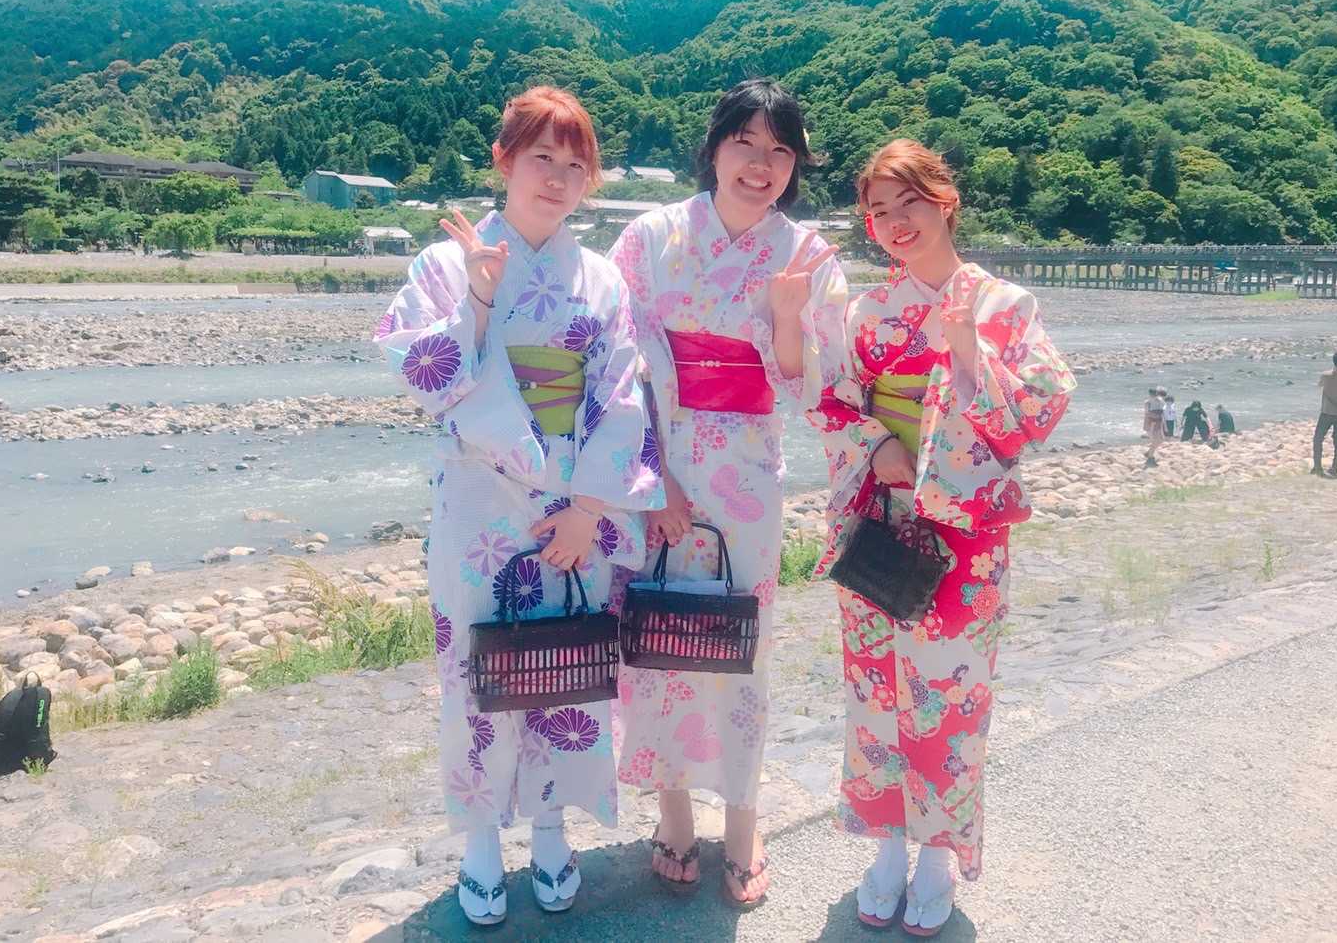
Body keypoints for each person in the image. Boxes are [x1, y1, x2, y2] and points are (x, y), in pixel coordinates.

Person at [377, 87, 662, 926]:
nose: (558, 178)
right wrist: (476, 301)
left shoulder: (600, 279)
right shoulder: (443, 265)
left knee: (567, 666)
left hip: (572, 509)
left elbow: (623, 396)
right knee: (476, 670)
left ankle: (549, 826)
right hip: (479, 501)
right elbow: (421, 372)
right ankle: (479, 841)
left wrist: (589, 508)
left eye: (576, 165)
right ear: (504, 159)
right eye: (542, 157)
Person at [811, 140, 1075, 936]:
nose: (896, 223)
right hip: (879, 523)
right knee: (875, 693)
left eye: (910, 203)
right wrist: (876, 447)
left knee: (950, 701)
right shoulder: (866, 314)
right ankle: (886, 845)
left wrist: (967, 352)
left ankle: (937, 857)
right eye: (879, 211)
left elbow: (1035, 414)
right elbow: (832, 401)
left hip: (966, 539)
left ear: (945, 200)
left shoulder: (1006, 305)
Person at [606, 78, 849, 906]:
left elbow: (817, 389)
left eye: (780, 150)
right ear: (713, 147)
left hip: (747, 472)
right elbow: (617, 366)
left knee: (744, 646)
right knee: (657, 639)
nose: (761, 164)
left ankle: (743, 823)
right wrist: (655, 479)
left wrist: (784, 318)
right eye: (745, 142)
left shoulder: (807, 255)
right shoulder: (650, 237)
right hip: (658, 463)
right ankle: (674, 815)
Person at [1143, 387, 1166, 466]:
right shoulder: (1148, 402)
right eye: (1153, 394)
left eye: (1155, 394)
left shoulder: (1160, 400)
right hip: (1151, 422)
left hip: (1157, 422)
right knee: (1155, 440)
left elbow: (1163, 412)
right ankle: (1150, 457)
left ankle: (1149, 453)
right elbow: (1147, 413)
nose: (1154, 396)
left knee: (1160, 440)